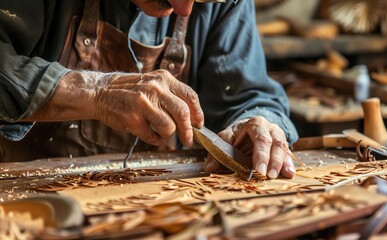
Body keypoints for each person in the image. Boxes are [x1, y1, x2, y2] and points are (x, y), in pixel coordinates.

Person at [0, 0, 299, 179]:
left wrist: (258, 120)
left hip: (161, 209)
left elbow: (251, 94)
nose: (182, 8)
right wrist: (96, 92)